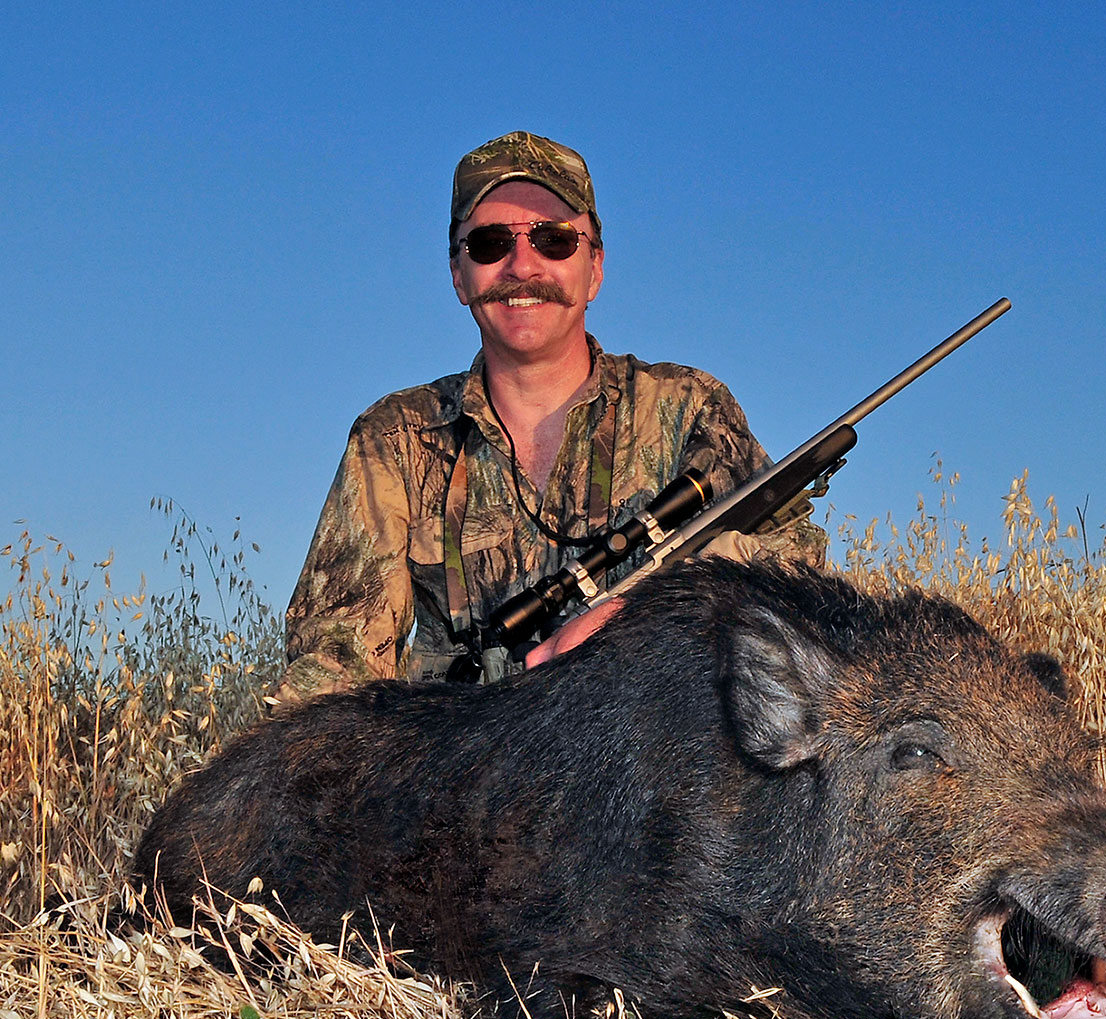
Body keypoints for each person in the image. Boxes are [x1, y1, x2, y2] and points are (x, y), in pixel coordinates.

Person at [276, 131, 825, 699]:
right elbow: (333, 654)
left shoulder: (690, 409)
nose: (522, 265)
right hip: (464, 760)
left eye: (554, 240)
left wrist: (639, 612)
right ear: (458, 275)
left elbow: (797, 574)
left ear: (595, 268)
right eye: (489, 244)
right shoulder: (395, 438)